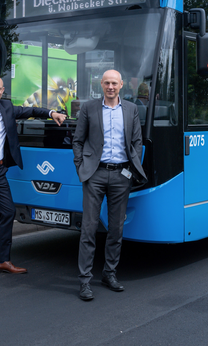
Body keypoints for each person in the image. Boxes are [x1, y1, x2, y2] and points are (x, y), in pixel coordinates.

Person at [0, 75, 66, 278]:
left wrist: (52, 113)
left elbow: (32, 110)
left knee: (7, 212)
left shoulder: (7, 109)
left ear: (2, 90)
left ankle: (2, 260)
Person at [72, 69, 147, 301]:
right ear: (101, 85)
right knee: (89, 228)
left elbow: (137, 142)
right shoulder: (89, 108)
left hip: (120, 176)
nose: (111, 87)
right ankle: (84, 281)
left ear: (121, 84)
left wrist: (130, 172)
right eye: (107, 83)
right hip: (94, 175)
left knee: (116, 228)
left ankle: (109, 273)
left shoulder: (131, 109)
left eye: (114, 83)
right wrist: (81, 168)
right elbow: (78, 140)